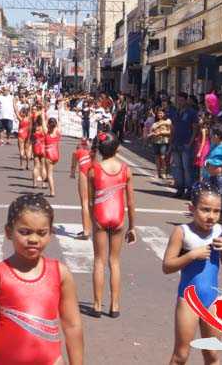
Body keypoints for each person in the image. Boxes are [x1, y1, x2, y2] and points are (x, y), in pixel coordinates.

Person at [0, 194, 84, 365]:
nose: (33, 239)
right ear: (8, 232)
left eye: (42, 233)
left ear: (50, 233)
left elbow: (73, 326)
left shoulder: (60, 273)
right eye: (24, 232)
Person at [162, 183, 222, 365]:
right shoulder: (182, 232)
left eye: (216, 211)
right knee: (181, 355)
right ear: (192, 208)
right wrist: (191, 255)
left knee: (212, 354)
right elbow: (167, 266)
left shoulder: (220, 231)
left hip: (212, 301)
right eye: (205, 210)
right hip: (188, 300)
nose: (211, 216)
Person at [87, 132, 136, 318]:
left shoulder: (94, 170)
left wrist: (93, 220)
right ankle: (115, 305)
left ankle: (97, 304)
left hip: (101, 214)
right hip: (118, 217)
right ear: (117, 149)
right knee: (114, 262)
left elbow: (91, 200)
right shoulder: (125, 170)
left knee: (99, 261)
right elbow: (130, 202)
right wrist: (132, 226)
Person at [168, 92, 199, 198]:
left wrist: (190, 143)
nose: (180, 102)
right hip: (176, 142)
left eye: (182, 100)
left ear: (186, 100)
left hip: (186, 143)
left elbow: (195, 128)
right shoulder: (176, 112)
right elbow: (172, 128)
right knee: (178, 167)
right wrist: (170, 142)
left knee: (187, 168)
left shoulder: (192, 113)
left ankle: (189, 190)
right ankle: (180, 188)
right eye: (178, 100)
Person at [70, 138, 93, 240]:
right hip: (94, 172)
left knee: (84, 202)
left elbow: (73, 166)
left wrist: (72, 174)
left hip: (84, 172)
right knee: (92, 203)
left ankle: (86, 231)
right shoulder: (91, 153)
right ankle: (89, 227)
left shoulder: (76, 152)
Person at [149, 108, 172, 179]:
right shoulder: (155, 123)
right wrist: (152, 134)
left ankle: (164, 172)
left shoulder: (168, 121)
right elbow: (150, 132)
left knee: (163, 157)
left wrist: (161, 133)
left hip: (164, 142)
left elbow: (170, 132)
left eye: (161, 113)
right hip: (155, 142)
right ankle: (158, 172)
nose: (160, 114)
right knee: (157, 157)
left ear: (164, 114)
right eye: (158, 113)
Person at [44, 117, 61, 197]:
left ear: (48, 125)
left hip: (49, 155)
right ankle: (46, 178)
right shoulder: (58, 131)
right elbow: (60, 121)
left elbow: (43, 121)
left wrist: (43, 112)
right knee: (49, 169)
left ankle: (52, 191)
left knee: (50, 174)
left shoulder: (46, 132)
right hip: (56, 155)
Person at [31, 115, 47, 189]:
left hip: (36, 147)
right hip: (43, 147)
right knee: (43, 166)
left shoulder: (34, 128)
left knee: (36, 166)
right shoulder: (43, 129)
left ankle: (34, 183)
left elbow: (32, 140)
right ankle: (43, 184)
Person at [14, 105, 32, 170]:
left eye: (21, 112)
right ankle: (28, 165)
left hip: (21, 134)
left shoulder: (21, 119)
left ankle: (21, 165)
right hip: (27, 134)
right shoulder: (29, 118)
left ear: (23, 113)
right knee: (27, 150)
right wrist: (28, 104)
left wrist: (14, 103)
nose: (20, 113)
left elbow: (15, 111)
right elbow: (30, 110)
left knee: (21, 150)